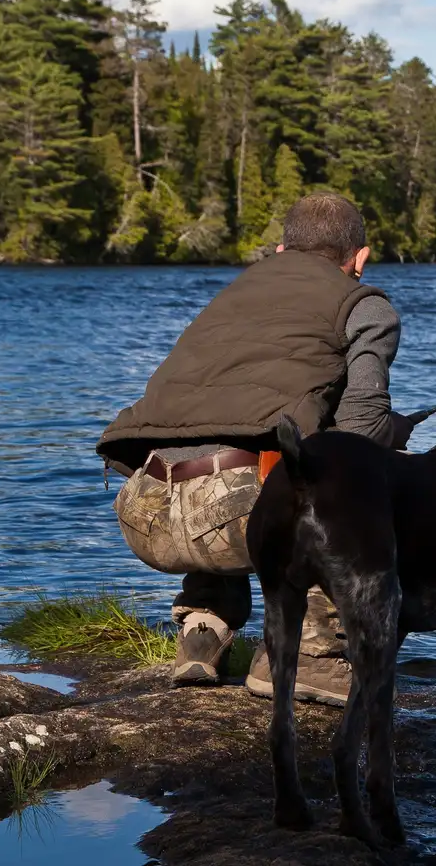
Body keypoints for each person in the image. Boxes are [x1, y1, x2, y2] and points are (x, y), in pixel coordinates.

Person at [96, 192, 412, 704]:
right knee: (352, 479)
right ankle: (308, 659)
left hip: (143, 509)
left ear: (283, 249)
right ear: (360, 257)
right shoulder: (365, 305)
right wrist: (395, 435)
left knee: (247, 452)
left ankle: (204, 625)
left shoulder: (235, 291)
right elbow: (360, 432)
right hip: (233, 514)